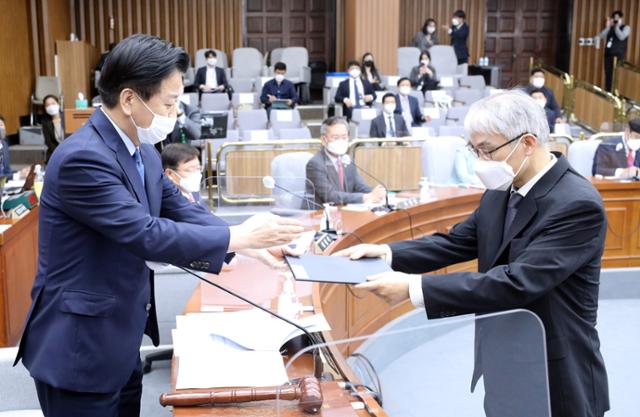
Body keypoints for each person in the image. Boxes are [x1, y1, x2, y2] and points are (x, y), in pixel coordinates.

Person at [13, 34, 303, 417]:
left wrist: (251, 247)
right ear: (130, 99)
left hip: (121, 337)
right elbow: (145, 233)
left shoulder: (144, 151)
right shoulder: (82, 159)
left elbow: (179, 209)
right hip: (79, 349)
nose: (175, 112)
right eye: (169, 103)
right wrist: (239, 234)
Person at [335, 90, 609, 417]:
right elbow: (455, 243)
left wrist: (413, 289)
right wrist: (384, 253)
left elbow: (517, 282)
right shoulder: (500, 192)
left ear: (528, 143)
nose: (480, 160)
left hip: (555, 368)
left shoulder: (576, 204)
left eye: (487, 149)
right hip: (504, 359)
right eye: (474, 149)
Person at [306, 116, 385, 205]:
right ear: (324, 140)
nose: (341, 141)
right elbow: (330, 196)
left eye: (344, 137)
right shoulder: (315, 164)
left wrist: (376, 193)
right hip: (320, 214)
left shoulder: (347, 159)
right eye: (335, 138)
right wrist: (365, 197)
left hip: (344, 210)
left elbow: (359, 186)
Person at [596, 10, 631, 91]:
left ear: (621, 18)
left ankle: (616, 93)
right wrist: (608, 27)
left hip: (618, 55)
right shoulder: (610, 28)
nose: (616, 20)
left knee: (616, 76)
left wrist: (617, 27)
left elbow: (621, 37)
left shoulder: (626, 27)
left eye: (617, 18)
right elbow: (600, 36)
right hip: (608, 55)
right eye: (614, 18)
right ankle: (608, 93)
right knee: (608, 75)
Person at [41, 94, 65, 163]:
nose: (51, 106)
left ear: (58, 104)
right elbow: (49, 142)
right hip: (55, 151)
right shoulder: (45, 122)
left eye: (53, 103)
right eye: (48, 105)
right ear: (45, 108)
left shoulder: (66, 117)